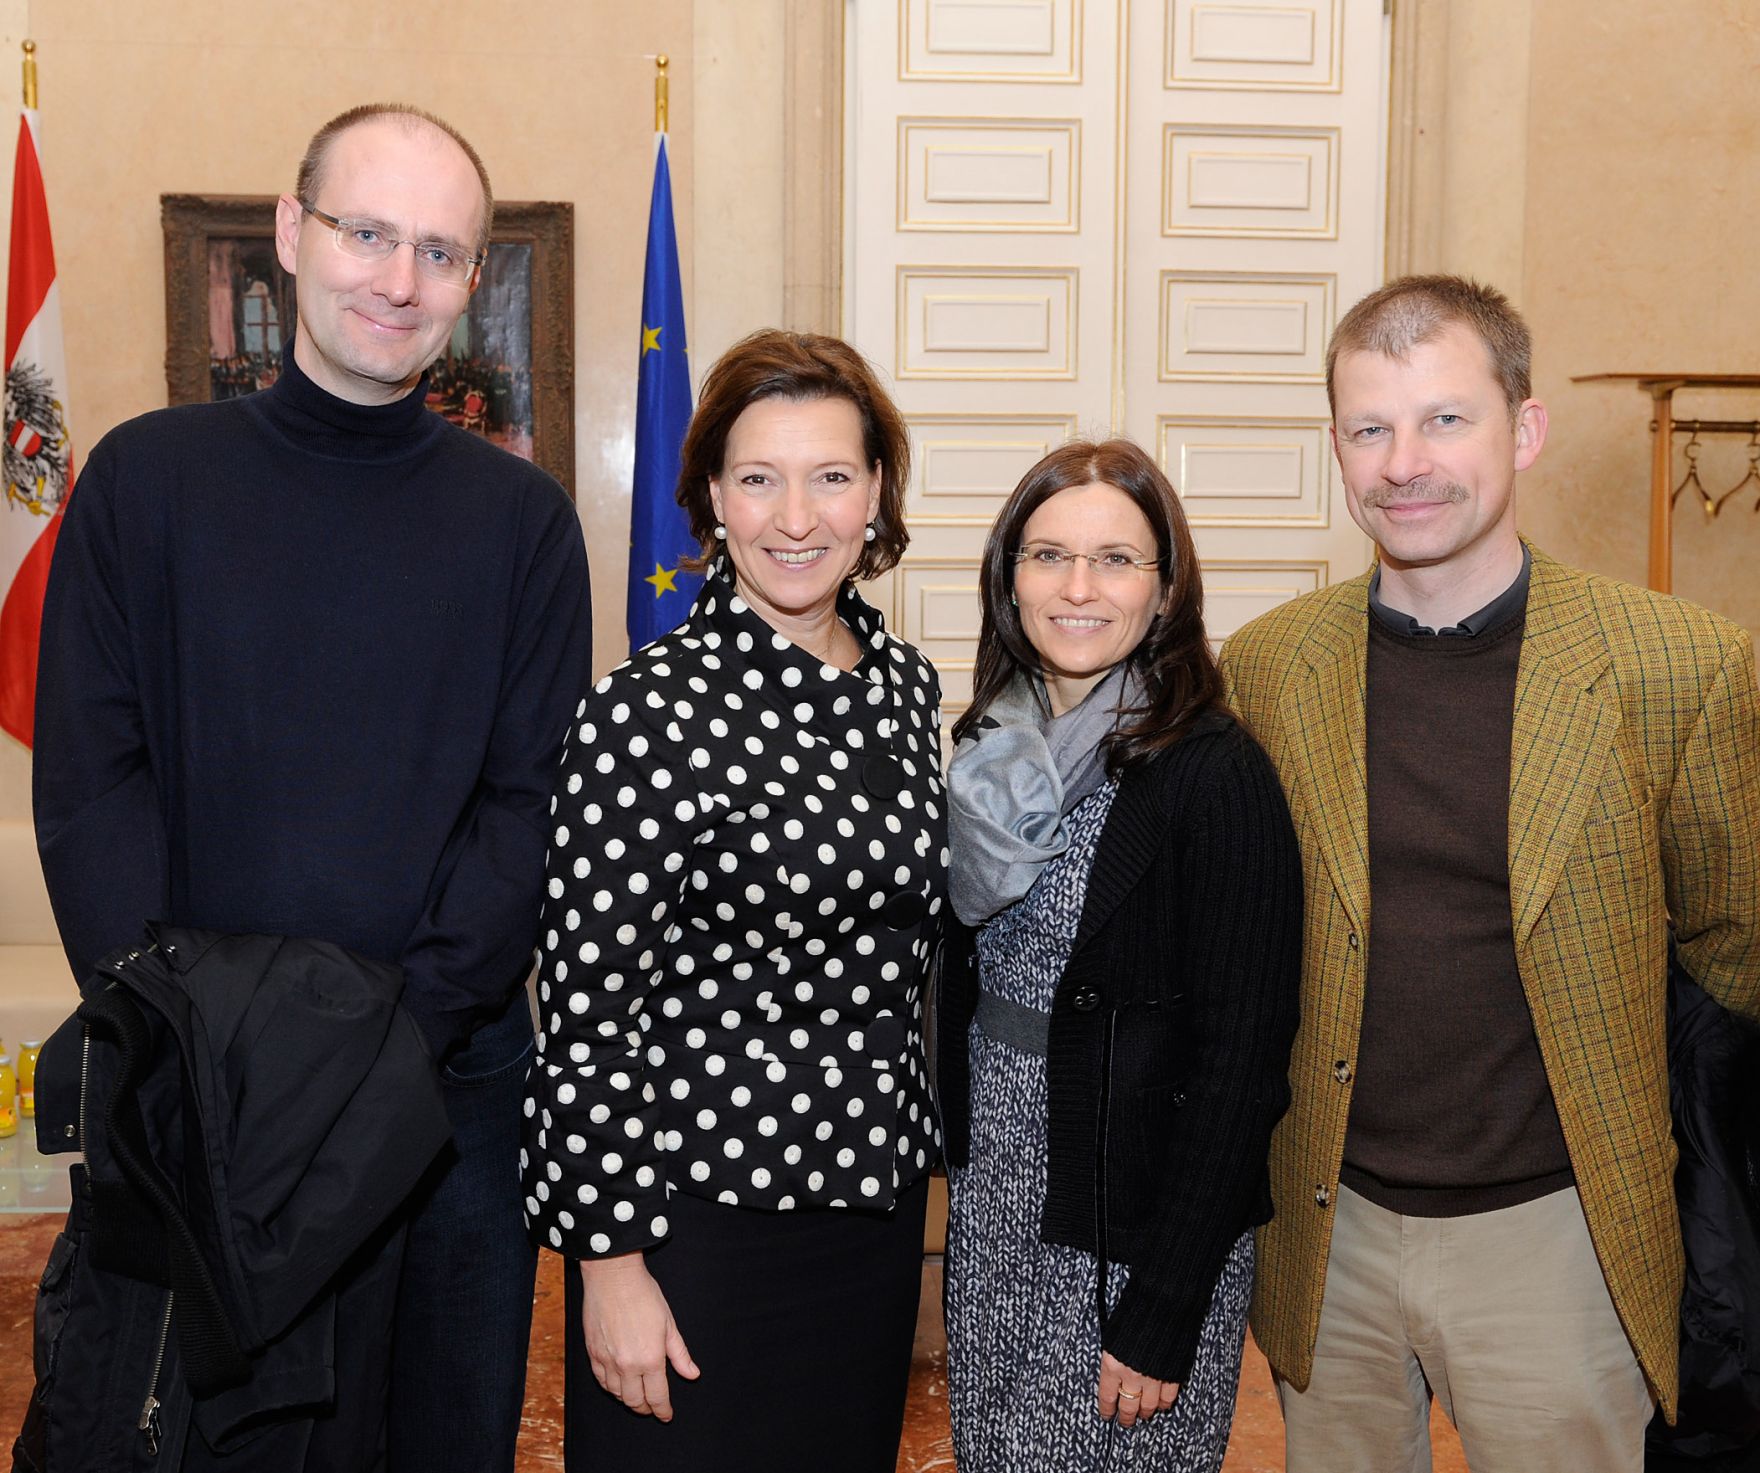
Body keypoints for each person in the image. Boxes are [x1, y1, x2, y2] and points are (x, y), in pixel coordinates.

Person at [32, 103, 590, 1470]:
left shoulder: (521, 524)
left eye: (442, 252)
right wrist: (178, 1022)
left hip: (438, 1100)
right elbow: (93, 776)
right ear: (292, 235)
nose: (400, 280)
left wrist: (389, 1041)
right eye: (370, 233)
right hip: (191, 1093)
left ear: (470, 283)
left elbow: (527, 808)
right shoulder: (144, 482)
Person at [1221, 275, 1760, 1471]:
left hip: (1557, 1238)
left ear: (1522, 428)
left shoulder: (1680, 666)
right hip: (1330, 1228)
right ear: (1335, 449)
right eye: (1369, 428)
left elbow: (1735, 952)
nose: (1403, 462)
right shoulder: (1266, 668)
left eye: (1444, 419)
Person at [522, 329, 947, 1472]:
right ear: (711, 496)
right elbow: (582, 1014)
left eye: (831, 476)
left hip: (869, 1215)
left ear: (875, 494)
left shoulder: (905, 685)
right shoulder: (641, 716)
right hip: (693, 1224)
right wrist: (607, 1271)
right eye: (758, 478)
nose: (795, 517)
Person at [937, 439, 1303, 1472]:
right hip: (999, 1197)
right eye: (1047, 555)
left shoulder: (1213, 773)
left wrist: (1165, 1304)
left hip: (1130, 1223)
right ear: (1007, 578)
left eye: (1114, 559)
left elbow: (1241, 1065)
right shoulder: (987, 750)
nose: (1078, 588)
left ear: (1165, 586)